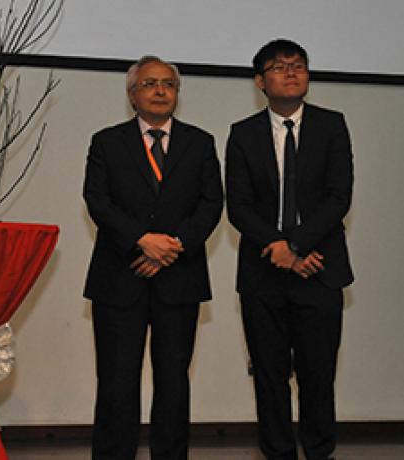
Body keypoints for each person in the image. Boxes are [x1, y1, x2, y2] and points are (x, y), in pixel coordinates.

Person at [83, 55, 223, 459]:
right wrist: (142, 240)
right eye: (150, 84)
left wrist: (171, 247)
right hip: (119, 278)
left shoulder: (200, 142)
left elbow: (211, 204)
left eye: (168, 84)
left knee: (174, 382)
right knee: (116, 382)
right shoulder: (106, 141)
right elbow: (98, 200)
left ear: (177, 93)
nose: (160, 90)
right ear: (132, 94)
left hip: (179, 281)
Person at [225, 39, 353, 460]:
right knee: (269, 373)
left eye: (298, 65)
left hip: (319, 268)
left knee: (319, 373)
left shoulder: (332, 125)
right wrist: (277, 247)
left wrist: (295, 247)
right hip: (263, 273)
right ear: (261, 81)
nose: (291, 72)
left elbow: (338, 197)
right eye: (279, 67)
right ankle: (277, 451)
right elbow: (239, 205)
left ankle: (319, 450)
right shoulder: (242, 134)